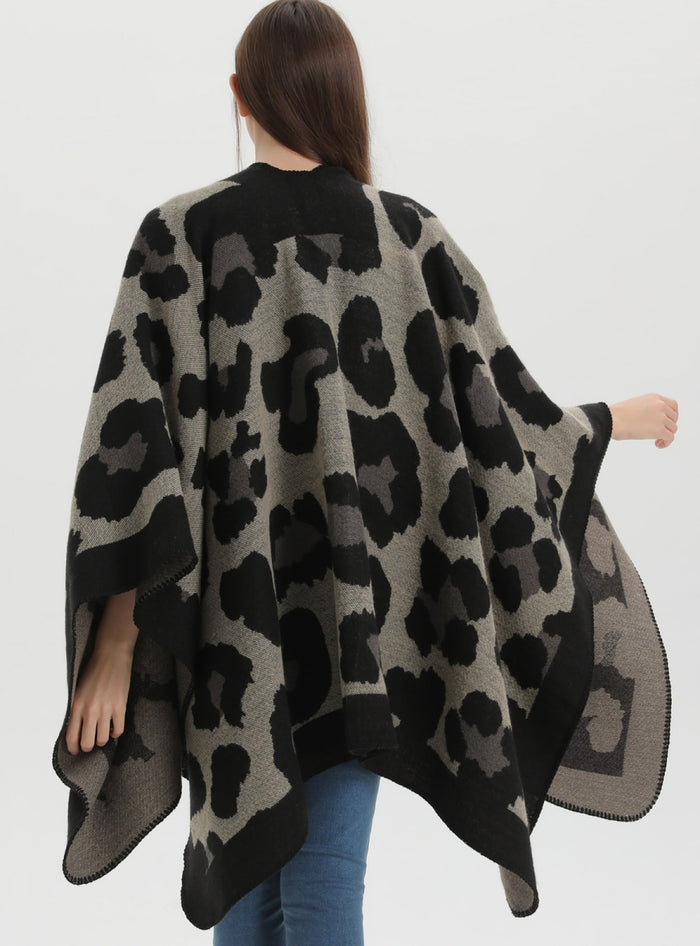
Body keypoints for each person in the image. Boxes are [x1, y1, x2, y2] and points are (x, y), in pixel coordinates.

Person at [53, 2, 677, 944]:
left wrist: (111, 647)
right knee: (302, 890)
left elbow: (138, 465)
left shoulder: (179, 238)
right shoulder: (411, 239)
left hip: (235, 628)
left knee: (254, 877)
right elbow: (503, 421)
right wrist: (612, 421)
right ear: (345, 96)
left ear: (240, 94)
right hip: (364, 633)